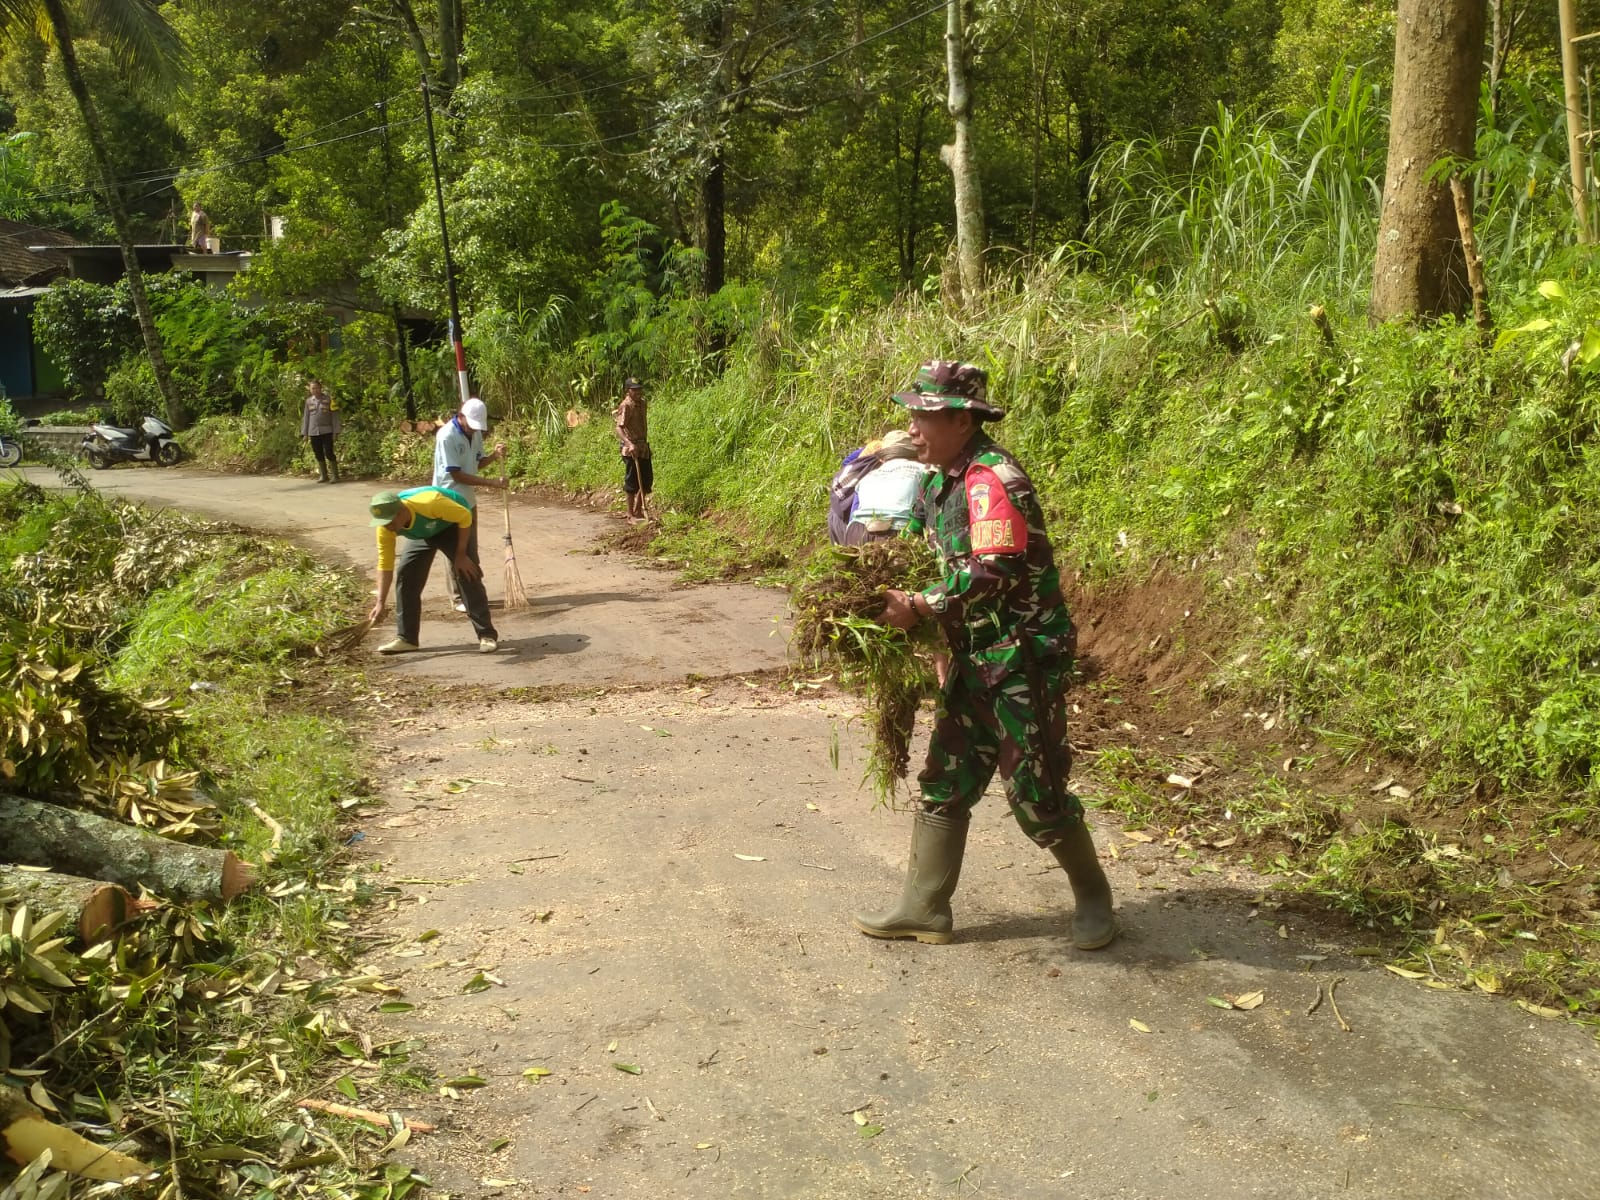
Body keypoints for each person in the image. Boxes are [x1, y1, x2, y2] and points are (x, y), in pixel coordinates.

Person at [854, 359, 1115, 950]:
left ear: (963, 419)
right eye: (911, 414)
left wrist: (921, 605)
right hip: (972, 653)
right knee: (945, 775)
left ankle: (1095, 897)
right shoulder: (937, 480)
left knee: (1036, 789)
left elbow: (996, 567)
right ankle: (924, 908)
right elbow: (925, 556)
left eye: (924, 416)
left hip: (1020, 656)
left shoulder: (991, 479)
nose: (913, 427)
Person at [367, 486, 499, 655]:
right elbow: (385, 565)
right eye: (383, 523)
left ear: (401, 511)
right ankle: (407, 638)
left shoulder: (430, 502)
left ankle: (486, 635)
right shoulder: (385, 528)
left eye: (390, 521)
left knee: (467, 572)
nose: (388, 527)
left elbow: (465, 517)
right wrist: (380, 602)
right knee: (406, 575)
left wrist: (460, 556)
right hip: (423, 533)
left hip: (453, 524)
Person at [433, 397, 506, 614]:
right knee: (453, 548)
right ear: (461, 416)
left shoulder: (474, 434)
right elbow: (456, 474)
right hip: (448, 498)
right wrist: (491, 484)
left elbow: (477, 463)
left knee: (470, 548)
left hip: (468, 500)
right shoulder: (446, 435)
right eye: (471, 425)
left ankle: (472, 592)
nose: (475, 430)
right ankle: (457, 597)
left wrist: (494, 455)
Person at [839, 430, 926, 544]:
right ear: (914, 454)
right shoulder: (924, 470)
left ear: (884, 457)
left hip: (857, 533)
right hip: (899, 532)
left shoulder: (867, 477)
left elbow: (853, 517)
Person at [614, 377, 652, 521]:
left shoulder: (642, 404)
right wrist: (629, 443)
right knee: (632, 482)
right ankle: (630, 514)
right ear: (628, 391)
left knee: (646, 480)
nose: (638, 392)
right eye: (634, 390)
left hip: (643, 447)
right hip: (631, 449)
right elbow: (619, 427)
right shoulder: (626, 406)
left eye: (639, 389)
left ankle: (639, 510)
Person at [300, 378, 341, 483]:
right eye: (313, 388)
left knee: (329, 452)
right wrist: (305, 433)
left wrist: (336, 432)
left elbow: (335, 417)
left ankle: (335, 476)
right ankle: (324, 475)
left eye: (317, 388)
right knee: (318, 453)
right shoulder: (308, 401)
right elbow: (306, 417)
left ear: (321, 388)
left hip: (327, 430)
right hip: (313, 431)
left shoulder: (329, 399)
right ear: (310, 390)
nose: (315, 390)